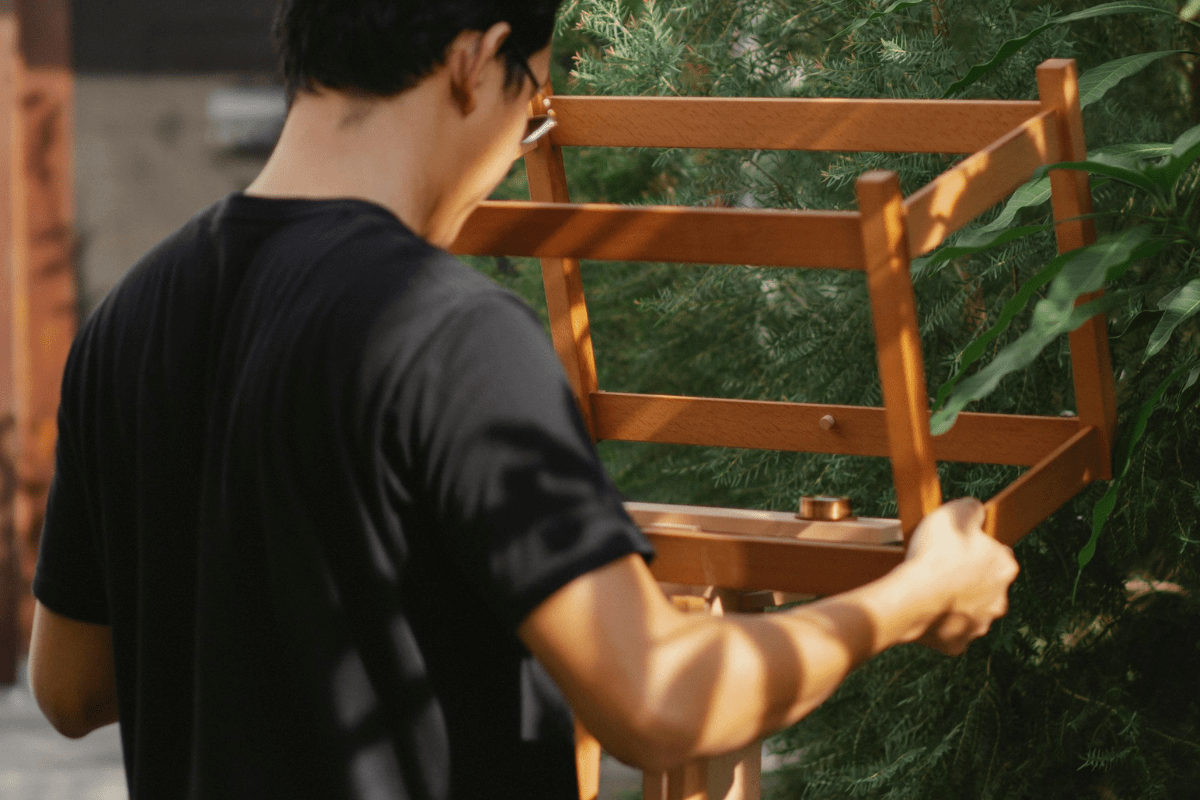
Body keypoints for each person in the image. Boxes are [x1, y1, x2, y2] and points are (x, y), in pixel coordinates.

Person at [25, 1, 1019, 798]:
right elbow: (662, 699)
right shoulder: (451, 332)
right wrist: (914, 595)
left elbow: (70, 685)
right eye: (534, 106)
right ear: (477, 58)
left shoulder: (129, 319)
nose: (519, 145)